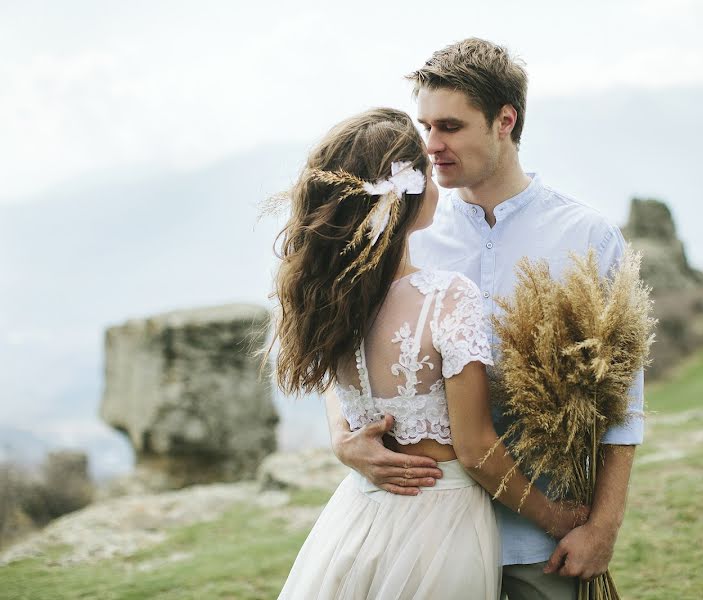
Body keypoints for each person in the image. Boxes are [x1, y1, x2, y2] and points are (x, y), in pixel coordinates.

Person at [331, 40, 646, 599]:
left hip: (542, 542)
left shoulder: (586, 236)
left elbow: (623, 401)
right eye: (425, 126)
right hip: (428, 532)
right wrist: (343, 439)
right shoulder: (411, 234)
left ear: (506, 120)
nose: (431, 146)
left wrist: (602, 525)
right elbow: (343, 343)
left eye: (449, 126)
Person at [272, 108, 587, 600]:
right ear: (406, 189)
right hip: (441, 525)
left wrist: (342, 437)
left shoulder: (334, 300)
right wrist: (558, 518)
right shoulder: (447, 297)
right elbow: (477, 449)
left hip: (358, 520)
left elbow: (338, 383)